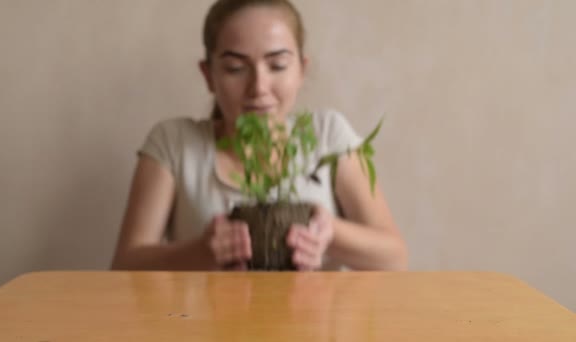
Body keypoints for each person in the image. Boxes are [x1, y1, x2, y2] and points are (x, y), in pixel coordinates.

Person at [111, 0, 408, 271]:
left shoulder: (327, 135)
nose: (258, 87)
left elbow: (395, 259)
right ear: (208, 75)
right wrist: (199, 253)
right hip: (205, 329)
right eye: (235, 68)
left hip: (313, 329)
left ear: (301, 70)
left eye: (277, 65)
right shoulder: (174, 143)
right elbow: (124, 267)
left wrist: (330, 235)